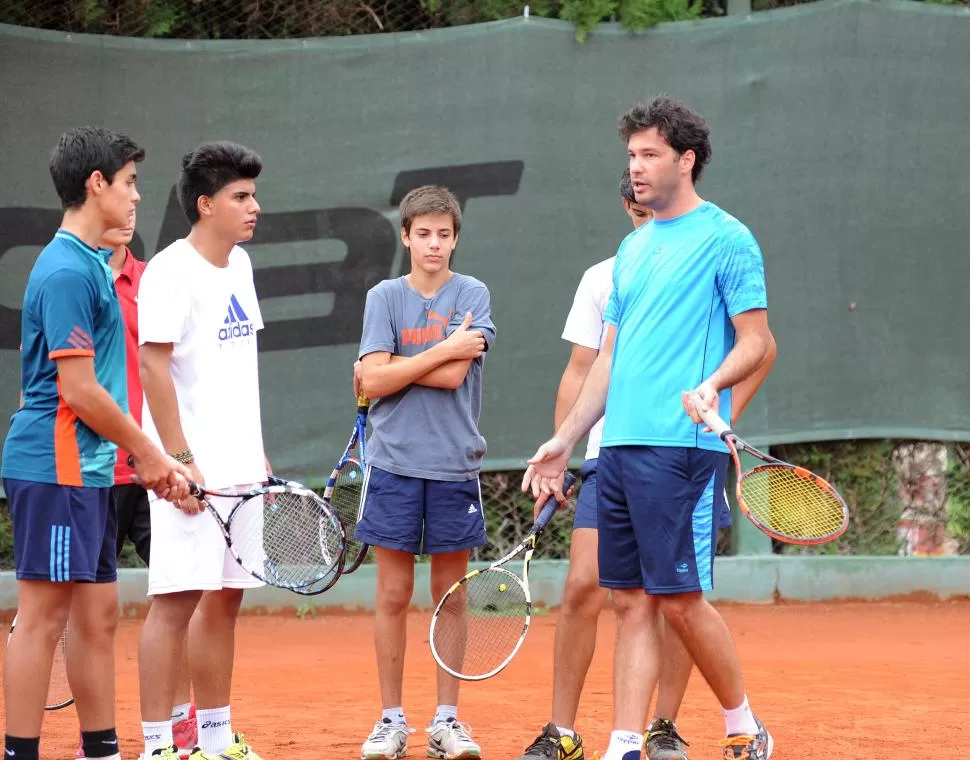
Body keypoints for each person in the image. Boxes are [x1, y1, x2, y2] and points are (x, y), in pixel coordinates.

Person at [523, 96, 775, 760]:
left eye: (649, 155)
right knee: (629, 601)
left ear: (685, 160)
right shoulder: (632, 250)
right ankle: (625, 744)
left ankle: (744, 726)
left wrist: (715, 385)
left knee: (679, 602)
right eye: (631, 156)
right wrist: (567, 437)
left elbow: (758, 340)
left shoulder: (728, 238)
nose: (635, 168)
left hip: (679, 447)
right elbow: (609, 358)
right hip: (621, 449)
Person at [2, 126, 190, 760]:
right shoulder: (63, 271)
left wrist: (137, 453)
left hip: (86, 467)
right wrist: (153, 453)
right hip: (55, 464)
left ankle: (101, 749)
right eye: (130, 183)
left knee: (99, 615)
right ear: (97, 184)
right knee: (42, 619)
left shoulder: (89, 265)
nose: (138, 197)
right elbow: (79, 391)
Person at [137, 141, 269, 760]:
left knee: (225, 601)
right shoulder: (169, 269)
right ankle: (157, 746)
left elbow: (238, 368)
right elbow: (152, 367)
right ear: (205, 204)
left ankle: (215, 743)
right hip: (188, 471)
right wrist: (178, 460)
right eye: (241, 197)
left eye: (253, 195)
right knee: (174, 603)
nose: (254, 207)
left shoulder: (239, 267)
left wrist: (256, 452)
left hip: (240, 468)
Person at [355, 185, 495, 760]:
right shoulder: (383, 297)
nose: (433, 244)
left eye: (443, 234)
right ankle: (391, 722)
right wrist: (447, 345)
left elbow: (451, 379)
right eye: (423, 234)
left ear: (455, 239)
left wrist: (397, 366)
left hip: (454, 466)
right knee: (392, 594)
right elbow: (372, 381)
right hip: (391, 464)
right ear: (406, 237)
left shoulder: (475, 293)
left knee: (450, 598)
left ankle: (446, 721)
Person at [71, 217, 198, 760]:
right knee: (93, 615)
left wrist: (173, 452)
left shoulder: (157, 282)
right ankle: (94, 738)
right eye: (124, 188)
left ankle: (182, 726)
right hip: (95, 469)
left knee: (180, 598)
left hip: (159, 472)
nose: (131, 208)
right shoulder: (73, 281)